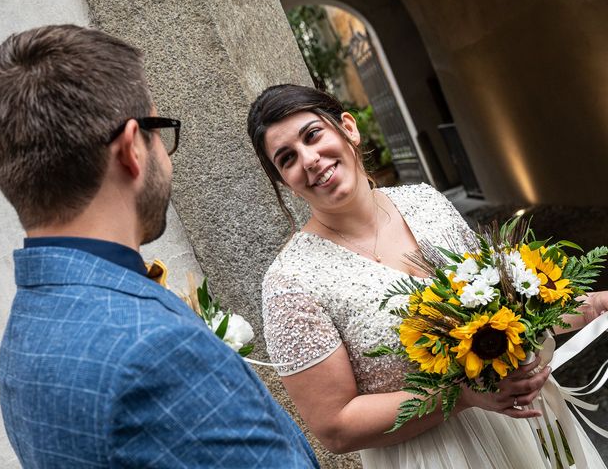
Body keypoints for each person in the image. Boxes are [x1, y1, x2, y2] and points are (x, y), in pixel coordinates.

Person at [0, 26, 318, 468]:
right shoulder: (158, 349)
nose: (167, 159)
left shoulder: (24, 333)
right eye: (158, 130)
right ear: (132, 147)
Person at [246, 83, 607, 468]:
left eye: (313, 135)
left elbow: (514, 311)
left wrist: (596, 304)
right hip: (436, 457)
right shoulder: (291, 281)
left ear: (348, 128)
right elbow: (335, 426)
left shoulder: (425, 201)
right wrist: (462, 396)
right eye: (287, 158)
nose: (310, 159)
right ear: (286, 183)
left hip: (529, 430)